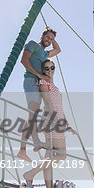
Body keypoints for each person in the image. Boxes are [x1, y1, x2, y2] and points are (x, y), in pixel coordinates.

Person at [23, 59, 76, 188]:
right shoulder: (44, 83)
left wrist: (67, 124)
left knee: (49, 158)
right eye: (47, 68)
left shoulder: (54, 85)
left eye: (52, 67)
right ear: (42, 71)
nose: (50, 70)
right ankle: (30, 174)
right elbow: (47, 102)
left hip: (56, 120)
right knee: (62, 154)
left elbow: (60, 107)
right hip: (52, 121)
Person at [17, 28, 61, 162]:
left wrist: (53, 37)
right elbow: (24, 60)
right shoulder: (33, 45)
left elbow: (58, 50)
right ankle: (35, 141)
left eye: (51, 39)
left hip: (39, 83)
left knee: (32, 114)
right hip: (31, 81)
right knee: (33, 111)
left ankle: (22, 150)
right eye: (47, 37)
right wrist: (39, 75)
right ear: (42, 35)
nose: (49, 40)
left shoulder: (45, 54)